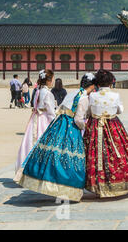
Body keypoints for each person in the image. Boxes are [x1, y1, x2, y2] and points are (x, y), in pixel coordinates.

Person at [18, 73, 96, 202]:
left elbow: (60, 108)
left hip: (59, 124)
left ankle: (47, 182)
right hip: (71, 127)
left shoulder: (72, 92)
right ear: (92, 87)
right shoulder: (84, 98)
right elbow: (78, 119)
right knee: (70, 158)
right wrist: (85, 127)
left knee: (53, 154)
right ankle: (67, 187)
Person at [84, 69, 128, 197]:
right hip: (112, 125)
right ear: (111, 83)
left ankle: (97, 183)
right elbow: (120, 110)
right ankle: (117, 181)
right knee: (118, 152)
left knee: (94, 154)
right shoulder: (115, 95)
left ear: (97, 83)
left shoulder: (92, 95)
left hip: (95, 126)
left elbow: (88, 111)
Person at [14, 70, 56, 182]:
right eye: (52, 79)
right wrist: (56, 122)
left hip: (36, 118)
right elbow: (51, 112)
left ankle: (26, 171)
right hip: (44, 119)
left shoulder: (38, 90)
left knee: (31, 143)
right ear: (48, 80)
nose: (53, 81)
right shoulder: (48, 93)